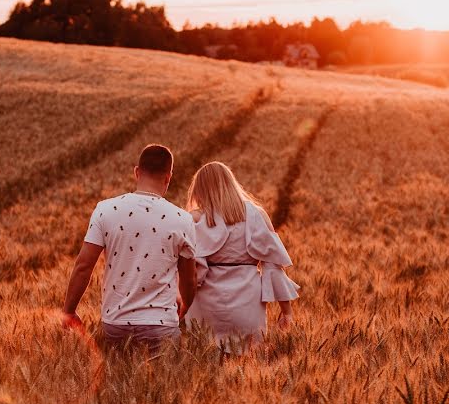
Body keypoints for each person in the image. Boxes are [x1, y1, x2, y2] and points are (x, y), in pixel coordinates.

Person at [60, 144, 197, 349]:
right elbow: (189, 278)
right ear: (168, 177)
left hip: (115, 325)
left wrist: (69, 311)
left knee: (114, 380)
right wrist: (185, 306)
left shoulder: (105, 210)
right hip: (161, 327)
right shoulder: (182, 219)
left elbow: (83, 266)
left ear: (137, 172)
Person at [183, 161, 298, 351]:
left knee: (206, 366)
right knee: (249, 359)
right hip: (248, 304)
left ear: (199, 189)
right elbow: (273, 266)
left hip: (207, 308)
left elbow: (191, 273)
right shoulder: (256, 214)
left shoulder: (194, 218)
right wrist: (287, 312)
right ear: (230, 183)